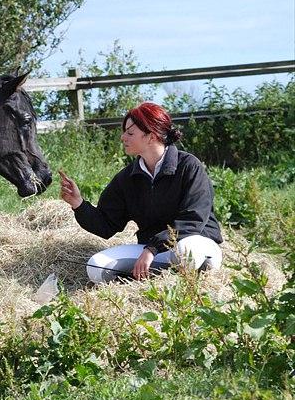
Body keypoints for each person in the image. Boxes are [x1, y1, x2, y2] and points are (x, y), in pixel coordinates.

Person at [59, 102, 223, 282]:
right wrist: (78, 204)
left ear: (151, 136)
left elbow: (193, 220)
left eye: (130, 133)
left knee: (185, 252)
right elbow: (106, 224)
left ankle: (174, 282)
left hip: (197, 244)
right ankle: (151, 281)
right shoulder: (127, 178)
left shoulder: (189, 166)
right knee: (96, 267)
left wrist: (152, 248)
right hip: (153, 252)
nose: (123, 137)